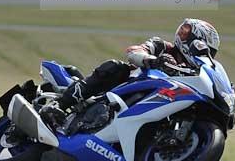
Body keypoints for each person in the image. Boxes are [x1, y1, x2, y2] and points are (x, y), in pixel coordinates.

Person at [40, 18, 220, 130]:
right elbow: (133, 51)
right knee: (116, 67)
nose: (203, 53)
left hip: (155, 102)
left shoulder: (194, 73)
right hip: (126, 87)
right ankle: (59, 105)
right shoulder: (161, 46)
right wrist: (151, 60)